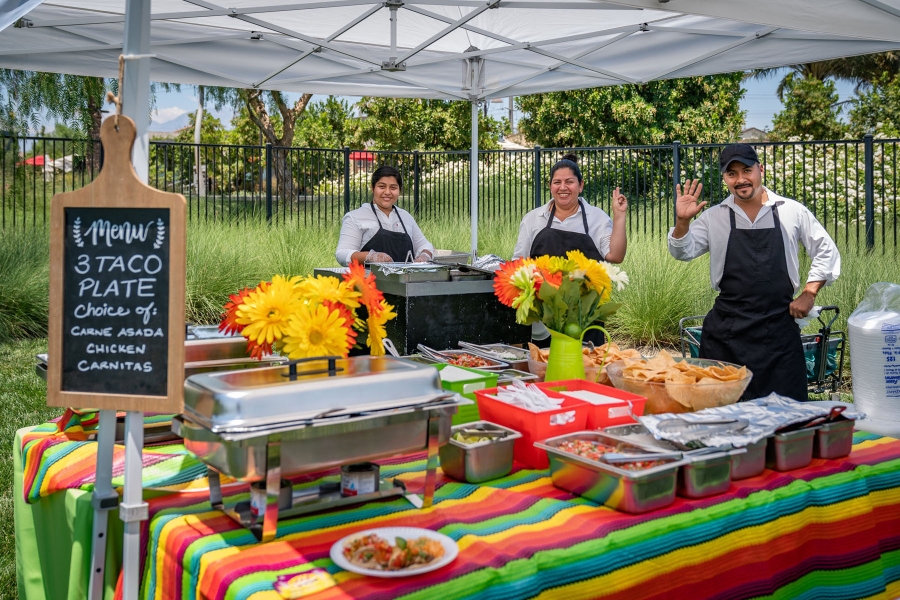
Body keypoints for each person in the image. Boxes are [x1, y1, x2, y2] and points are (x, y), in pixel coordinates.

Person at [668, 143, 841, 401]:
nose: (741, 179)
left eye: (746, 170)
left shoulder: (791, 211)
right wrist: (682, 222)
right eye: (732, 174)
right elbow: (683, 251)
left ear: (760, 169)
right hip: (727, 332)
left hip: (779, 330)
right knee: (723, 413)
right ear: (725, 178)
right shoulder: (716, 216)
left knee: (788, 415)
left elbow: (826, 250)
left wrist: (809, 292)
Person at [512, 153, 628, 346]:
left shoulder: (596, 218)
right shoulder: (534, 219)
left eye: (569, 182)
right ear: (550, 186)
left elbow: (615, 256)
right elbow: (519, 265)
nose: (563, 187)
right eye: (557, 182)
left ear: (580, 185)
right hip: (544, 318)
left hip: (586, 317)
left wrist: (619, 216)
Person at [335, 165, 434, 266]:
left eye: (393, 188)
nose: (387, 192)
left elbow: (425, 245)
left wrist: (425, 255)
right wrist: (370, 257)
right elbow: (342, 253)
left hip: (404, 280)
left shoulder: (405, 217)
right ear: (372, 188)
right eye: (382, 187)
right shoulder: (355, 217)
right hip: (368, 280)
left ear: (399, 190)